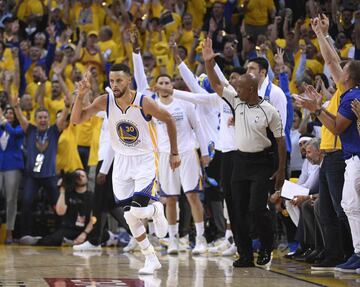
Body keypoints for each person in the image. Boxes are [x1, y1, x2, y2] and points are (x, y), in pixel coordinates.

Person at [70, 64, 181, 275]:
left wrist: (174, 152)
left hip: (145, 160)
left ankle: (157, 210)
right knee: (129, 215)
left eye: (119, 80)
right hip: (121, 161)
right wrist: (80, 95)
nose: (115, 84)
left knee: (137, 211)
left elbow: (168, 119)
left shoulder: (143, 102)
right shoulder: (106, 100)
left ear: (129, 80)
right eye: (112, 81)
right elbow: (76, 119)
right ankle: (150, 258)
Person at [203, 38, 286, 267]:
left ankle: (267, 245)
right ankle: (245, 253)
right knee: (237, 208)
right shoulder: (236, 102)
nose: (235, 90)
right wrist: (208, 63)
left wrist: (280, 171)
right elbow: (217, 84)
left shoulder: (269, 110)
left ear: (251, 89)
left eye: (240, 87)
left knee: (256, 208)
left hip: (261, 162)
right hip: (240, 161)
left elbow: (280, 142)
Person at [296, 16, 360, 272]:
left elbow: (334, 60)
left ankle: (343, 252)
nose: (335, 70)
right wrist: (321, 34)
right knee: (342, 207)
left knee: (342, 208)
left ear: (348, 77)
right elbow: (332, 60)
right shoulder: (342, 93)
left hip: (340, 154)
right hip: (335, 156)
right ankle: (346, 252)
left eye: (341, 71)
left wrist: (317, 108)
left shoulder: (349, 96)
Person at [154, 74, 209, 255]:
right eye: (160, 82)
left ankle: (201, 239)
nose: (163, 85)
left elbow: (198, 127)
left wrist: (205, 152)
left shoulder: (184, 103)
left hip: (187, 153)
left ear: (172, 85)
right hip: (164, 155)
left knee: (192, 195)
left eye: (167, 82)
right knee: (170, 199)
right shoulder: (152, 105)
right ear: (155, 86)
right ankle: (173, 240)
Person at [10, 92, 71, 238]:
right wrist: (16, 107)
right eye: (40, 117)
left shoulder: (54, 131)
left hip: (49, 176)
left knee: (58, 205)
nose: (43, 120)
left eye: (45, 117)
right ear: (35, 119)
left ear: (48, 119)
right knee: (26, 203)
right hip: (32, 176)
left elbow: (63, 118)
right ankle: (26, 234)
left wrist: (67, 106)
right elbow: (21, 118)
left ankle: (59, 234)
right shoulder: (30, 130)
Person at [19, 169, 94, 246]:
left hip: (86, 229)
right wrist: (62, 190)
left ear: (87, 179)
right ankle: (39, 240)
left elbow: (93, 219)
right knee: (53, 240)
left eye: (82, 176)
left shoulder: (92, 197)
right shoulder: (68, 194)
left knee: (101, 235)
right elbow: (60, 212)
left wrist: (84, 233)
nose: (80, 177)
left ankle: (74, 242)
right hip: (70, 229)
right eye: (77, 175)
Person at [0, 105, 24, 244]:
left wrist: (3, 121)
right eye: (6, 113)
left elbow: (14, 134)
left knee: (11, 200)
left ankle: (9, 231)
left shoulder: (19, 128)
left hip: (12, 166)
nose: (8, 116)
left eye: (11, 114)